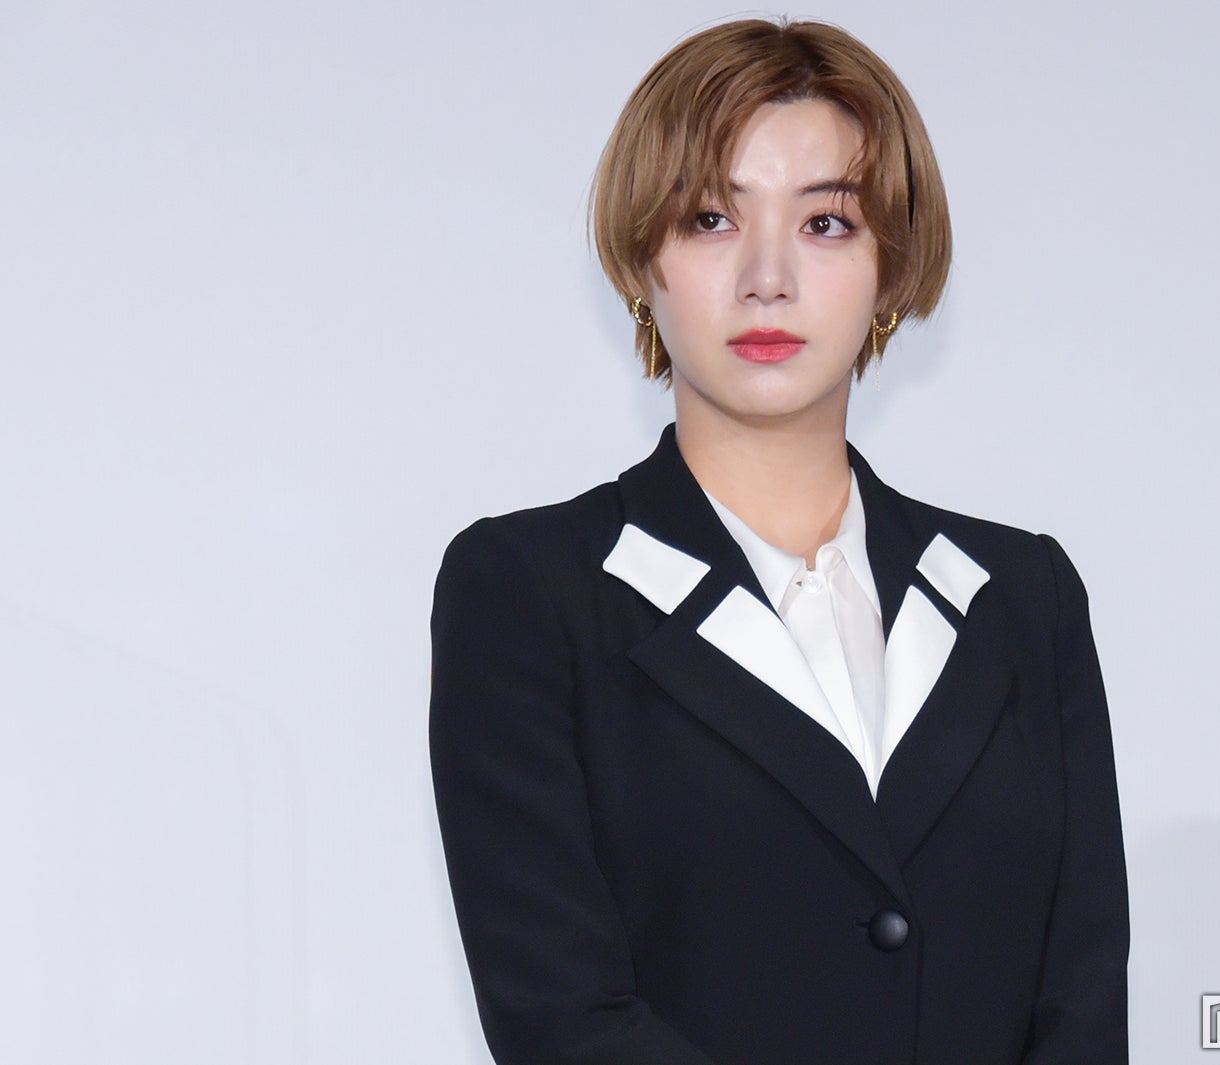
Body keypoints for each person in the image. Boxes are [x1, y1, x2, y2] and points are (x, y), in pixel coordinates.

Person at [429, 17, 1128, 1065]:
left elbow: (1081, 1003)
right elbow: (561, 1020)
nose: (768, 276)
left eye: (826, 223)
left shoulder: (1020, 594)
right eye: (710, 218)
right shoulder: (528, 593)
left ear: (891, 264)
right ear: (642, 259)